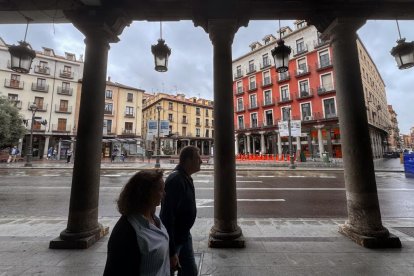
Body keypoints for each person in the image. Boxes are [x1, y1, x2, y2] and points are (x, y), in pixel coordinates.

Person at [104, 170, 170, 276]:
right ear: (145, 193)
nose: (164, 194)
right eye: (160, 190)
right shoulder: (126, 232)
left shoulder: (154, 218)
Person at [160, 145, 202, 276]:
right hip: (175, 239)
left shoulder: (185, 177)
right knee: (170, 270)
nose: (201, 161)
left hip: (184, 235)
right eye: (198, 158)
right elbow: (167, 217)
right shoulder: (176, 180)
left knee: (190, 272)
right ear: (188, 161)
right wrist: (172, 252)